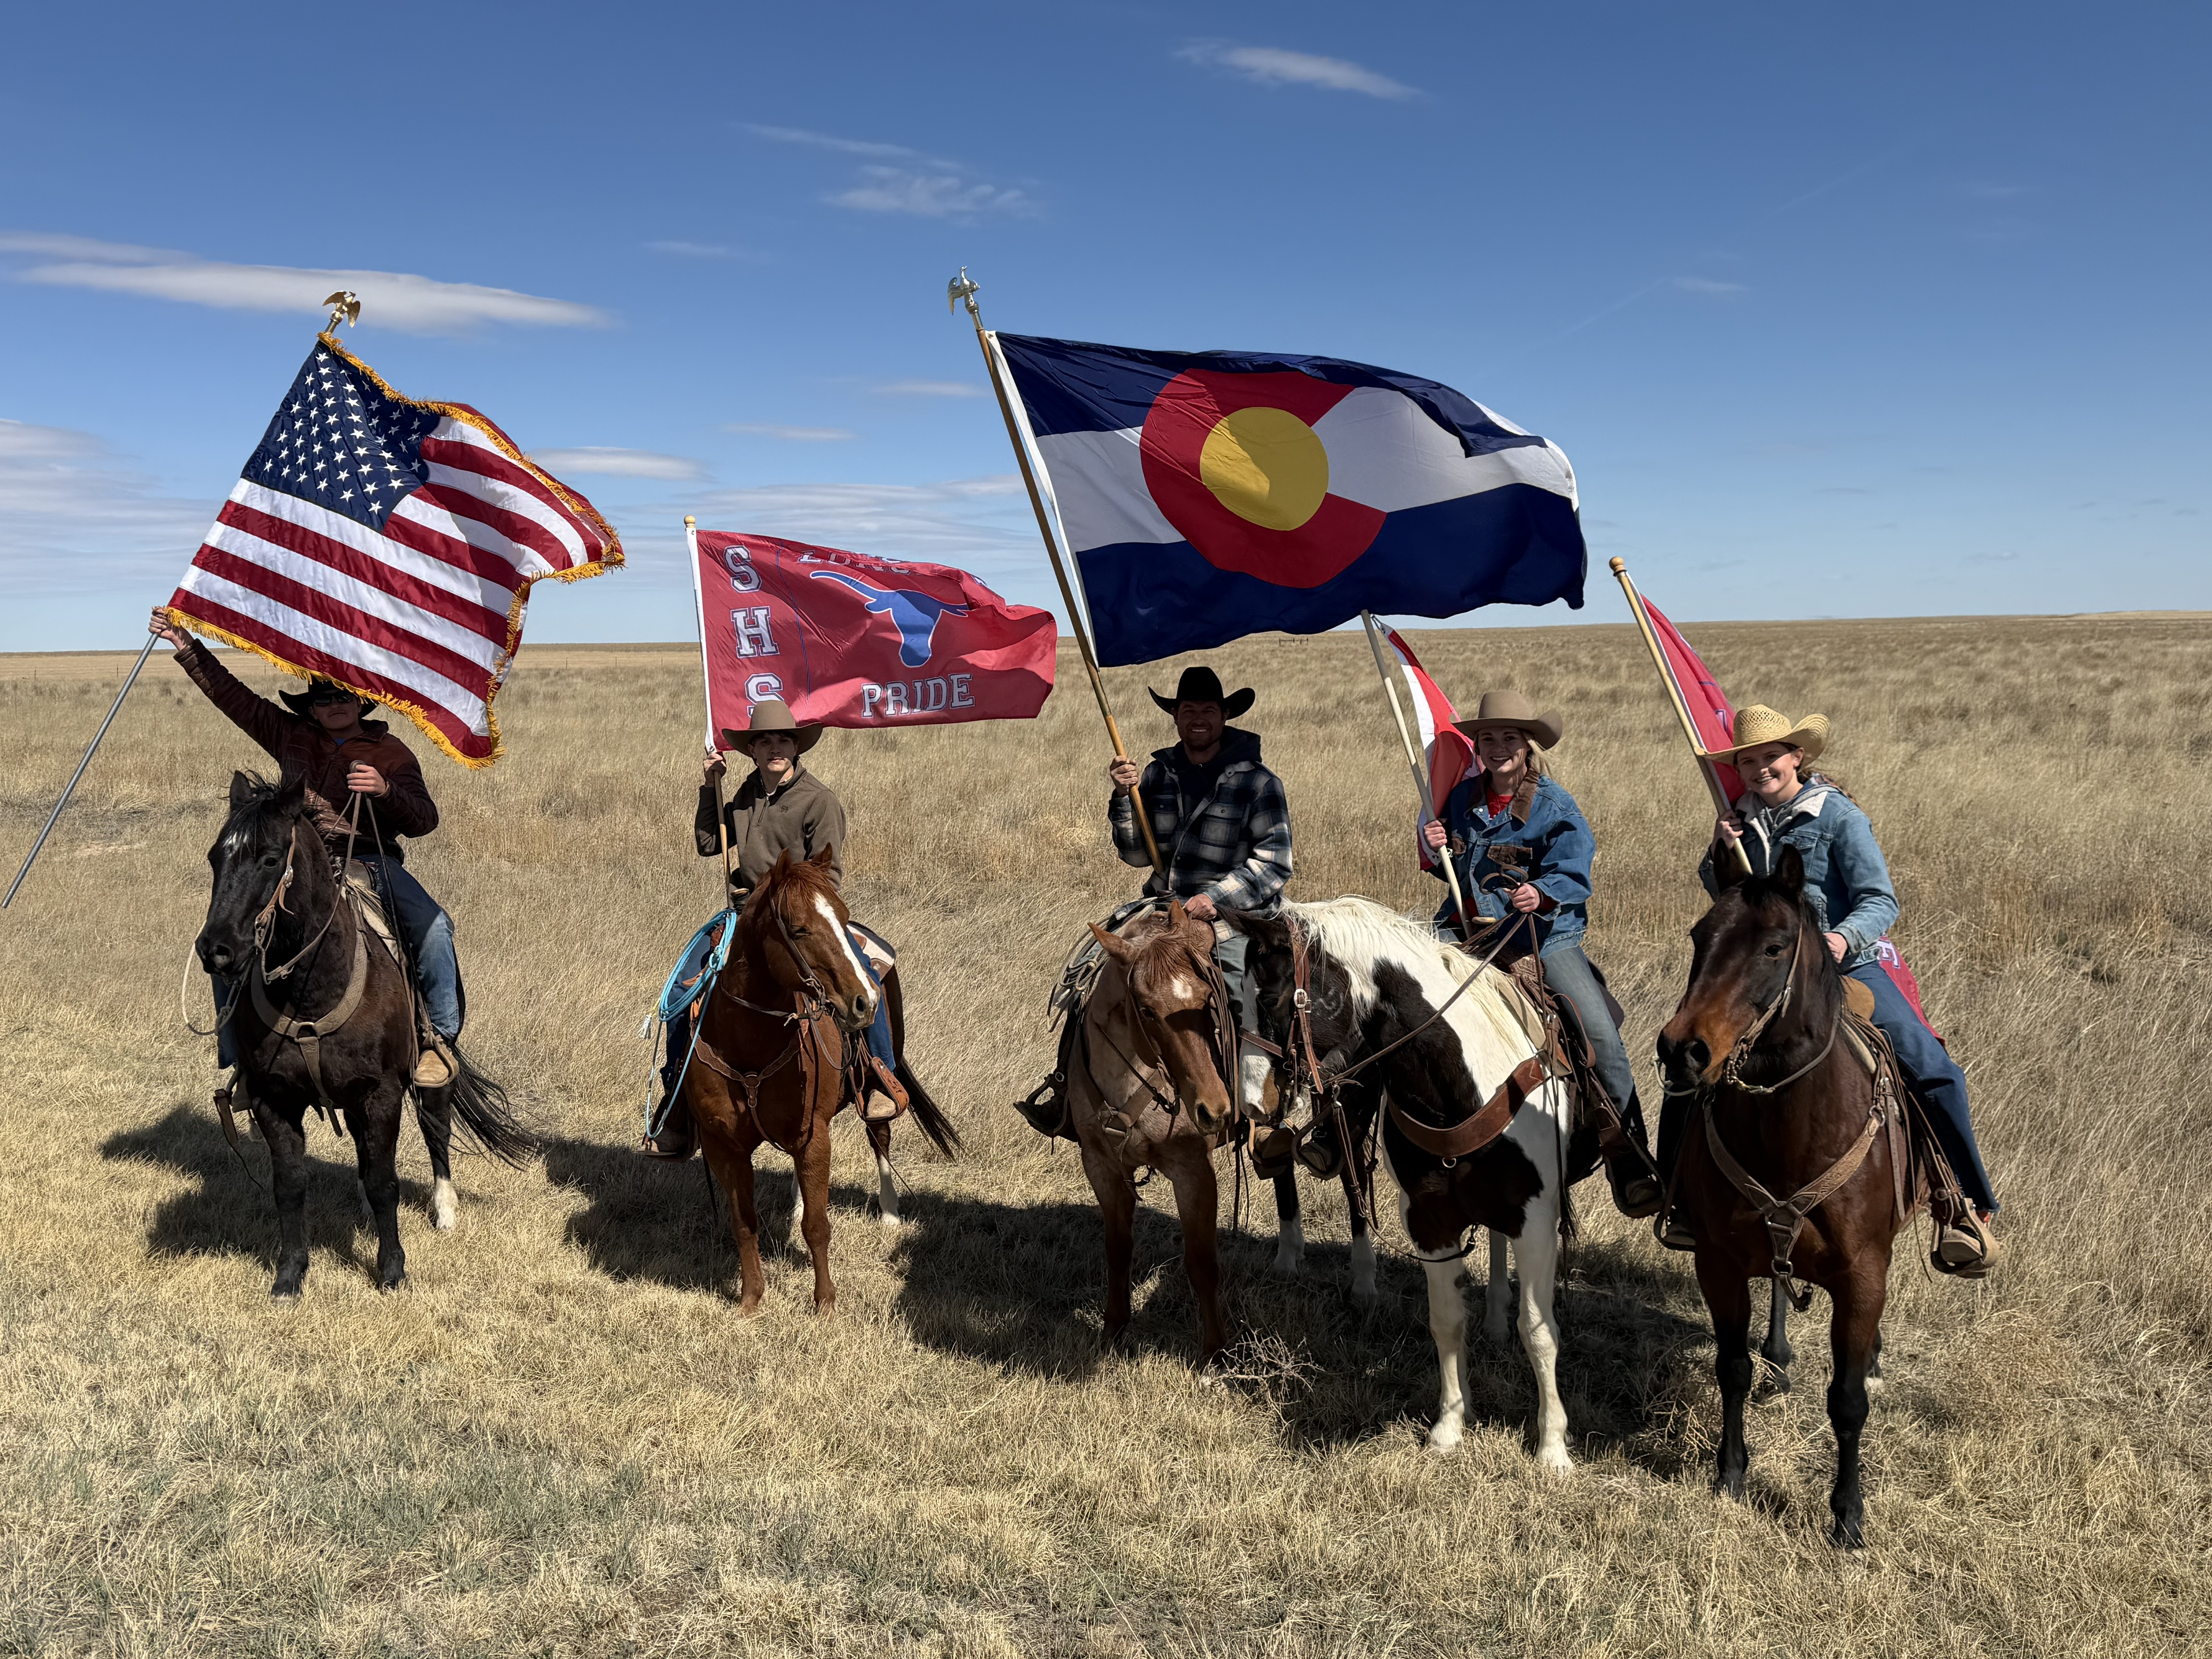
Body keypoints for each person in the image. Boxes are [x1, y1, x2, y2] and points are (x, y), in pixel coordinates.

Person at [1671, 704, 1998, 1274]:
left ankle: (1964, 1201)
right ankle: (1681, 1200)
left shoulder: (1839, 819)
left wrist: (1843, 940)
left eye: (1770, 757)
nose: (1758, 770)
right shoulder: (1738, 819)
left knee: (1933, 1067)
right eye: (1747, 761)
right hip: (1765, 972)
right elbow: (1726, 898)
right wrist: (1719, 850)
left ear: (1797, 757)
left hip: (1846, 968)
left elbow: (1881, 900)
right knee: (1689, 1061)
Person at [147, 610, 460, 1091]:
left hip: (369, 861)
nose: (335, 706)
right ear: (310, 709)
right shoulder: (288, 734)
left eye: (344, 697)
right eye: (323, 699)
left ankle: (439, 1039)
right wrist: (186, 645)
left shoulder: (392, 753)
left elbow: (424, 821)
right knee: (226, 931)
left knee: (435, 927)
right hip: (292, 859)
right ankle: (238, 1055)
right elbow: (235, 699)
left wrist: (384, 792)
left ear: (361, 703)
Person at [1013, 665, 1291, 1137]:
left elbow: (1274, 863)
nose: (1197, 719)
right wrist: (1125, 797)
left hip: (1233, 914)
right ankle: (1066, 1089)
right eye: (1188, 711)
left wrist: (1214, 899)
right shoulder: (1159, 773)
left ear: (1225, 716)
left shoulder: (1259, 782)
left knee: (1244, 987)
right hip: (1164, 906)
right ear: (1176, 717)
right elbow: (1137, 853)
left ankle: (1264, 1111)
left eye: (1207, 710)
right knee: (1087, 977)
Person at [1420, 690, 1662, 1218]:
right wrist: (1436, 843)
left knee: (1601, 1036)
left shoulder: (1555, 804)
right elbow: (1455, 870)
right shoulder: (1462, 800)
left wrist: (1544, 891)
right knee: (1396, 995)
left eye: (1509, 737)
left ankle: (1630, 1157)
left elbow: (1576, 871)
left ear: (1527, 746)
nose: (1499, 747)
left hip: (1543, 938)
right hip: (1465, 932)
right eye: (1489, 738)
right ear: (1478, 745)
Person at [642, 699, 904, 1160]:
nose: (774, 747)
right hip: (746, 920)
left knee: (866, 973)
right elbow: (709, 844)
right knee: (684, 990)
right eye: (764, 741)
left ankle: (877, 1076)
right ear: (754, 750)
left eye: (783, 739)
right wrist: (711, 786)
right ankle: (678, 1102)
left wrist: (795, 909)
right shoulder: (744, 794)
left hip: (808, 917)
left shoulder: (819, 800)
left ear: (797, 746)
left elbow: (829, 875)